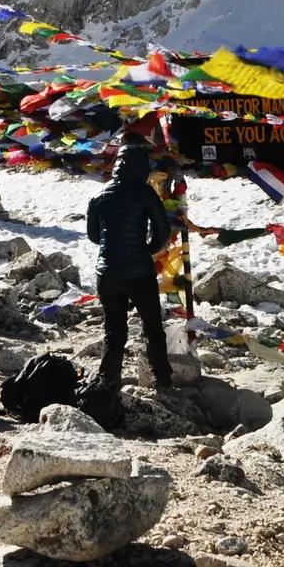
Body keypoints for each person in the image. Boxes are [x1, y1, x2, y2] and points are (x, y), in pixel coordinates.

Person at [87, 136, 175, 389]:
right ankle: (162, 379)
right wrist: (147, 250)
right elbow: (162, 230)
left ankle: (108, 382)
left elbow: (94, 236)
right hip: (139, 272)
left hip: (107, 272)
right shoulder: (145, 192)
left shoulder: (99, 195)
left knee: (113, 331)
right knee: (152, 328)